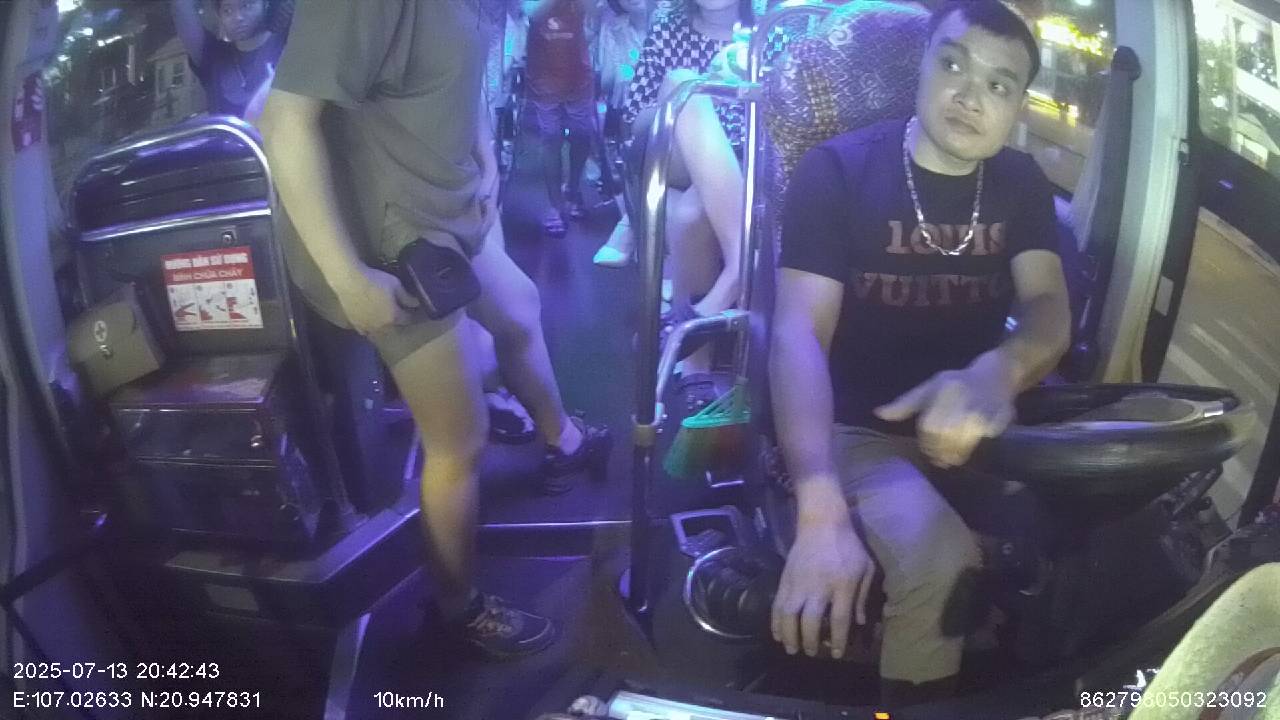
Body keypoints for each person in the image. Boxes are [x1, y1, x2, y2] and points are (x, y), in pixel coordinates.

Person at [258, 0, 612, 659]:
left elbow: (455, 75)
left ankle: (563, 441)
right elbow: (284, 123)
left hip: (444, 210)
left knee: (519, 307)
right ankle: (457, 609)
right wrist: (349, 278)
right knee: (459, 439)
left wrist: (484, 155)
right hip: (391, 245)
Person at [769, 0, 1070, 705]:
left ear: (1017, 107)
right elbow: (797, 334)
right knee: (941, 562)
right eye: (954, 64)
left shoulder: (1021, 183)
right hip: (857, 431)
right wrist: (818, 502)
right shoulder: (837, 171)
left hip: (977, 428)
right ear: (923, 66)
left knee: (1089, 542)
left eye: (999, 84)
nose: (971, 96)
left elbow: (1048, 307)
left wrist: (1000, 370)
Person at [525, 0, 599, 237]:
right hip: (543, 77)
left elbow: (594, 16)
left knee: (582, 134)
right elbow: (531, 13)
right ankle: (555, 205)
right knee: (550, 137)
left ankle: (573, 188)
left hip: (579, 76)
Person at [590, 0, 647, 267]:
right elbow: (609, 77)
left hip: (674, 108)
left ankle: (635, 230)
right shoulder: (613, 28)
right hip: (628, 108)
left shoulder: (675, 22)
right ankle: (636, 227)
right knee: (629, 164)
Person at [170, 0, 290, 121]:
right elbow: (180, 7)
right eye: (227, 11)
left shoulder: (289, 45)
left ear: (266, 4)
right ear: (219, 15)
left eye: (246, 5)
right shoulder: (213, 56)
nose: (237, 17)